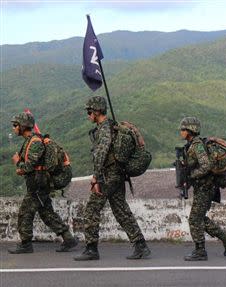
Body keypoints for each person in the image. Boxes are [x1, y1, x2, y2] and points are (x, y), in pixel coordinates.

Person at [74, 96, 150, 261]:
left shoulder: (104, 128)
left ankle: (91, 249)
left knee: (92, 209)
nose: (88, 115)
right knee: (121, 210)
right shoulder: (110, 126)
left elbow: (101, 152)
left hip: (108, 175)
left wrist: (95, 177)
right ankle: (141, 245)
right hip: (117, 174)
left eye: (89, 112)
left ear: (96, 111)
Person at [8, 112, 78, 254]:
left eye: (15, 125)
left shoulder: (35, 143)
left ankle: (26, 244)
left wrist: (18, 164)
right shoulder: (30, 141)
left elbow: (29, 167)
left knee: (25, 212)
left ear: (23, 126)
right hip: (39, 184)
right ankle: (68, 238)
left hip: (39, 185)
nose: (14, 128)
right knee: (47, 214)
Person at [179, 117, 226, 261]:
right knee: (198, 218)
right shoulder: (191, 145)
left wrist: (192, 175)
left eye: (183, 129)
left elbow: (206, 166)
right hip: (203, 187)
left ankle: (200, 251)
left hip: (206, 187)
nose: (181, 132)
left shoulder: (197, 145)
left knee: (194, 219)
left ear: (191, 130)